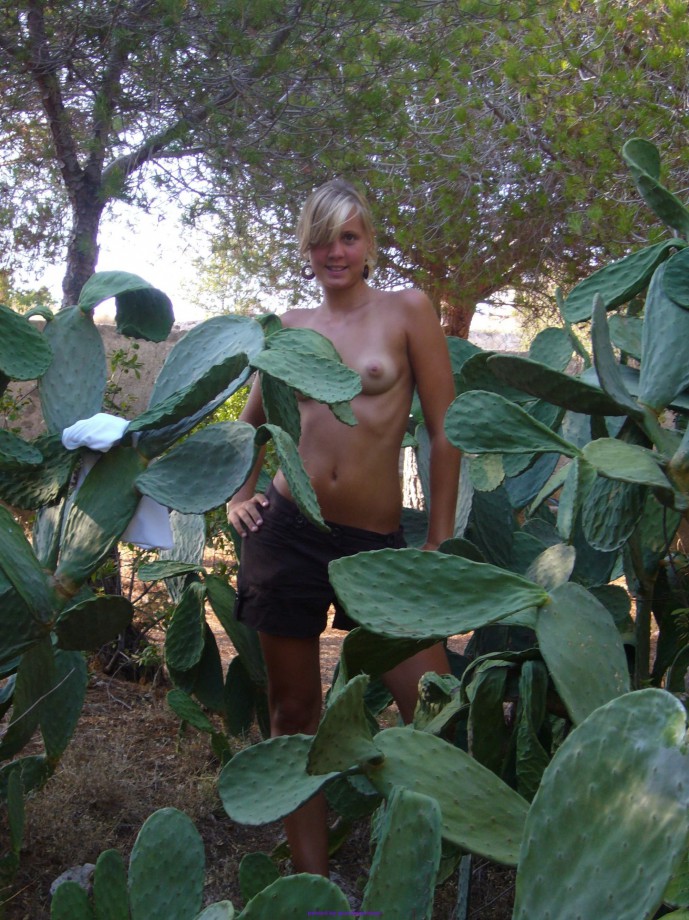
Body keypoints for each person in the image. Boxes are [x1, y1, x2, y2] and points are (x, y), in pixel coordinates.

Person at [227, 178, 461, 877]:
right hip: (286, 531)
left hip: (373, 545)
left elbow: (446, 433)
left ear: (368, 244)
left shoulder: (408, 311)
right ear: (306, 247)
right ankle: (313, 887)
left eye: (348, 237)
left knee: (431, 705)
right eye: (322, 238)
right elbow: (251, 426)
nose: (335, 251)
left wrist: (438, 542)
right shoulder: (289, 328)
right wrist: (238, 493)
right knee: (293, 711)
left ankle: (433, 870)